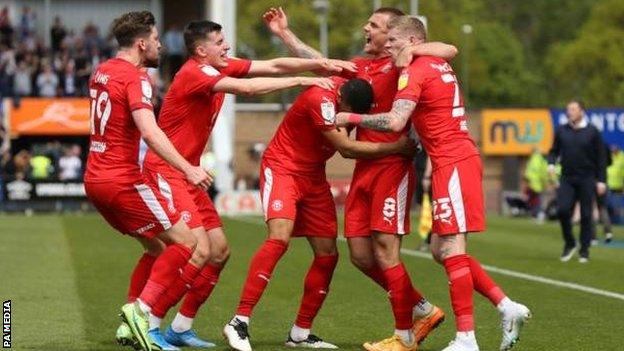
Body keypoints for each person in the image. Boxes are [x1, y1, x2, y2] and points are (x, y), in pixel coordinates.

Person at [134, 19, 354, 350]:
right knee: (196, 249)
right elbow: (248, 88)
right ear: (201, 50)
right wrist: (302, 80)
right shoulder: (196, 73)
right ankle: (148, 325)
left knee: (219, 251)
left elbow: (275, 63)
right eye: (220, 41)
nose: (227, 46)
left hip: (188, 173)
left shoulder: (218, 66)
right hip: (166, 171)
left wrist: (320, 64)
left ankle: (180, 328)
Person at [263, 7, 456, 350]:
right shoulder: (361, 67)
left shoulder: (405, 63)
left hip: (392, 167)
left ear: (392, 36)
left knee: (385, 251)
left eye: (375, 25)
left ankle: (403, 337)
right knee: (361, 256)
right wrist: (284, 34)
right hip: (363, 167)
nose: (366, 28)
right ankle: (422, 309)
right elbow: (320, 61)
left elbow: (448, 50)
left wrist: (412, 48)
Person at [335, 16, 531, 351]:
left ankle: (466, 339)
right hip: (451, 161)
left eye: (394, 42)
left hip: (453, 161)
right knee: (442, 251)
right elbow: (444, 48)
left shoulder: (416, 70)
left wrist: (350, 117)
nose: (389, 47)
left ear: (410, 42)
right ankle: (506, 306)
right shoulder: (435, 61)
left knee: (452, 250)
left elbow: (395, 120)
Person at [223, 76, 416, 351]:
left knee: (328, 254)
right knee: (279, 238)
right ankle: (239, 321)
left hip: (313, 177)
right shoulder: (320, 99)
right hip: (283, 169)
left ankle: (300, 333)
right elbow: (347, 149)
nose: (349, 120)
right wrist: (395, 148)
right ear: (342, 99)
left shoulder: (348, 96)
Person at [83, 11, 211, 351]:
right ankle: (140, 311)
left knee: (156, 247)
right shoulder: (137, 78)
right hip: (122, 180)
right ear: (142, 44)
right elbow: (150, 131)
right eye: (155, 41)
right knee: (186, 244)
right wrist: (189, 168)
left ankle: (129, 328)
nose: (159, 47)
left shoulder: (102, 70)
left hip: (94, 180)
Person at [547, 100, 607, 263]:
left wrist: (601, 180)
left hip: (587, 178)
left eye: (573, 109)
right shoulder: (561, 131)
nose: (569, 112)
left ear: (581, 111)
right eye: (568, 109)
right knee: (562, 210)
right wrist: (551, 164)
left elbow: (601, 158)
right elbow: (553, 151)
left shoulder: (592, 132)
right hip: (567, 178)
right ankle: (570, 242)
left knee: (586, 215)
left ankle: (584, 250)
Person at [524, 148, 548, 222]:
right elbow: (543, 173)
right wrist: (544, 183)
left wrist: (528, 179)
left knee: (536, 200)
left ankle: (538, 214)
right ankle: (537, 215)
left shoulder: (534, 159)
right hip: (538, 183)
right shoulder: (541, 160)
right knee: (536, 200)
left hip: (534, 183)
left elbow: (530, 171)